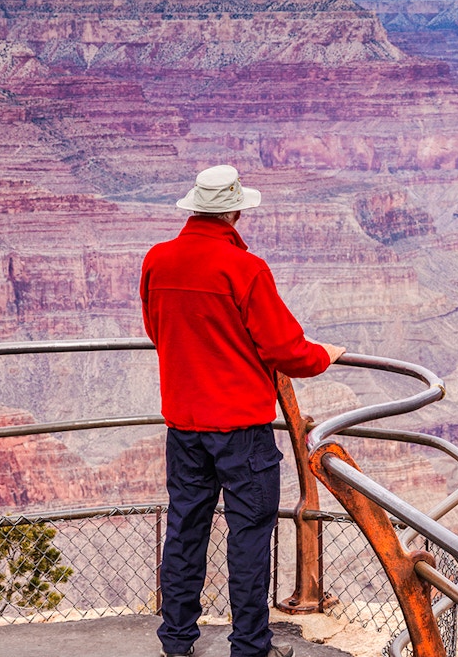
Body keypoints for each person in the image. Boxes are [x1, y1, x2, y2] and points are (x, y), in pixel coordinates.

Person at [140, 165, 345, 657]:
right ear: (234, 211)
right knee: (249, 534)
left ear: (193, 207)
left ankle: (176, 638)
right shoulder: (245, 269)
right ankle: (250, 645)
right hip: (242, 430)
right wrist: (324, 355)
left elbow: (157, 330)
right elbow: (286, 350)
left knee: (186, 527)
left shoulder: (157, 261)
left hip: (184, 424)